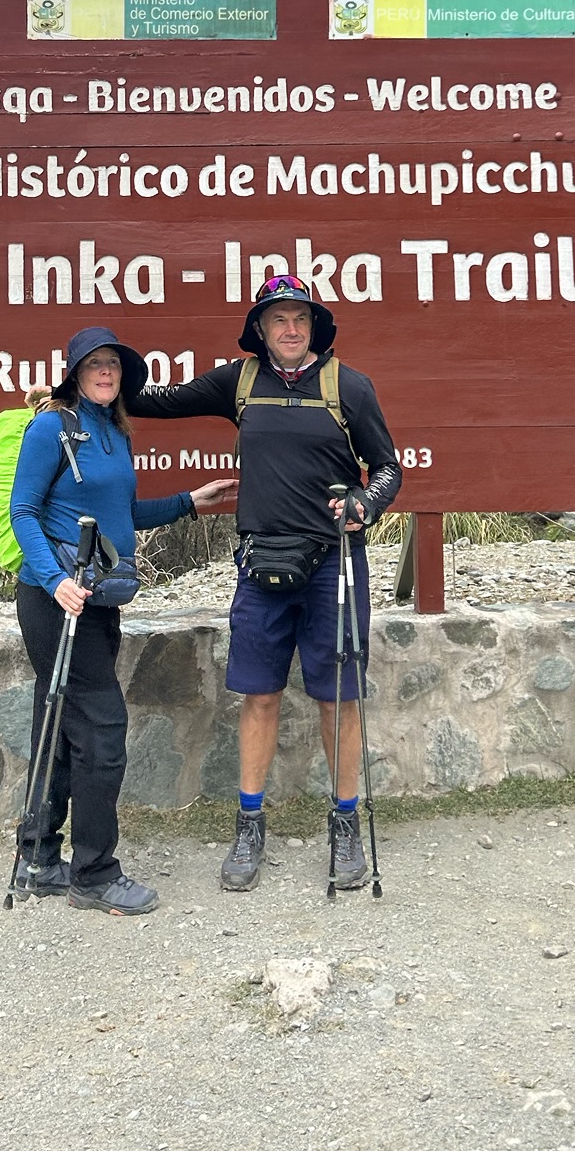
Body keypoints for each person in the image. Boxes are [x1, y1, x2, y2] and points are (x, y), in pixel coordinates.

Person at [126, 276, 401, 894]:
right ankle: (250, 824)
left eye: (300, 317)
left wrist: (365, 501)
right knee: (260, 695)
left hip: (334, 561)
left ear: (314, 326)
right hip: (261, 563)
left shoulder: (349, 387)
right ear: (260, 329)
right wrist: (86, 391)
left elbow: (388, 468)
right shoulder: (239, 383)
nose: (290, 328)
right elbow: (158, 402)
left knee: (338, 697)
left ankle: (346, 822)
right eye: (278, 318)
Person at [9, 325, 236, 916]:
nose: (106, 372)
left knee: (59, 726)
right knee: (102, 732)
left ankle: (39, 857)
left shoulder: (111, 431)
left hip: (100, 598)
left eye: (113, 364)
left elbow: (120, 512)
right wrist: (55, 580)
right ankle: (93, 873)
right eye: (95, 364)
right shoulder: (49, 427)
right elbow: (24, 510)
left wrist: (190, 500)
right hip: (56, 600)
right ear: (75, 373)